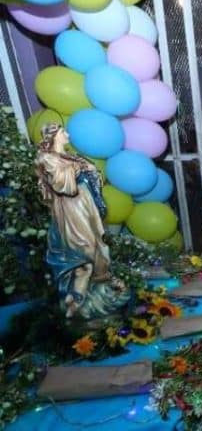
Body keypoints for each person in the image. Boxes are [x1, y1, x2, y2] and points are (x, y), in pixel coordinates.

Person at [35, 123, 129, 319]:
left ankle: (96, 287)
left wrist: (88, 169)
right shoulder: (47, 158)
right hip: (71, 207)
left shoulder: (68, 156)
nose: (67, 134)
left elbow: (90, 172)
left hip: (85, 204)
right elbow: (63, 185)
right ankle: (77, 300)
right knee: (84, 246)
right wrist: (77, 167)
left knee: (98, 243)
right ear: (54, 136)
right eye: (63, 132)